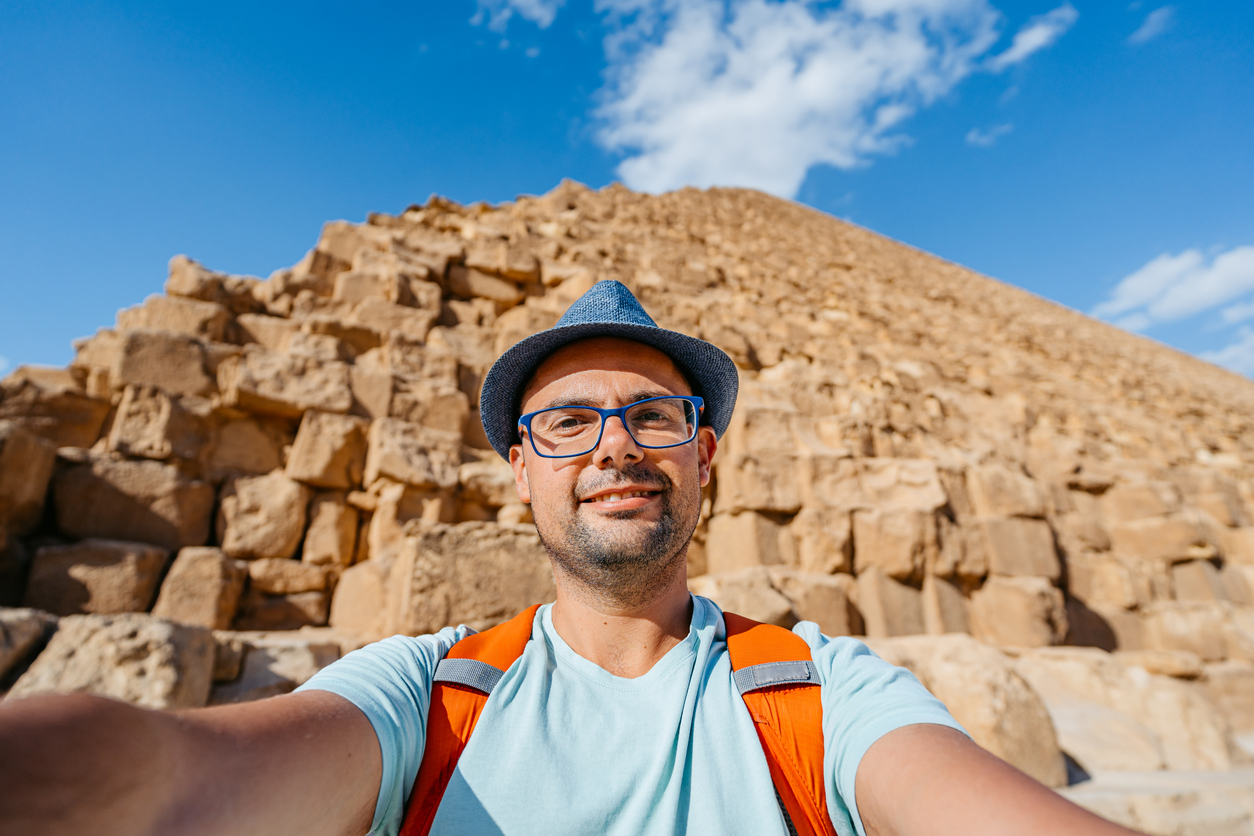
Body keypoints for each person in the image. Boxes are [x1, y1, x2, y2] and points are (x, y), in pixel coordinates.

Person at [0, 281, 1139, 836]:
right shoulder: (426, 695)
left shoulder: (818, 690)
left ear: (703, 459)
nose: (614, 448)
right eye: (567, 423)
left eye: (653, 417)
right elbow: (177, 779)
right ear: (520, 471)